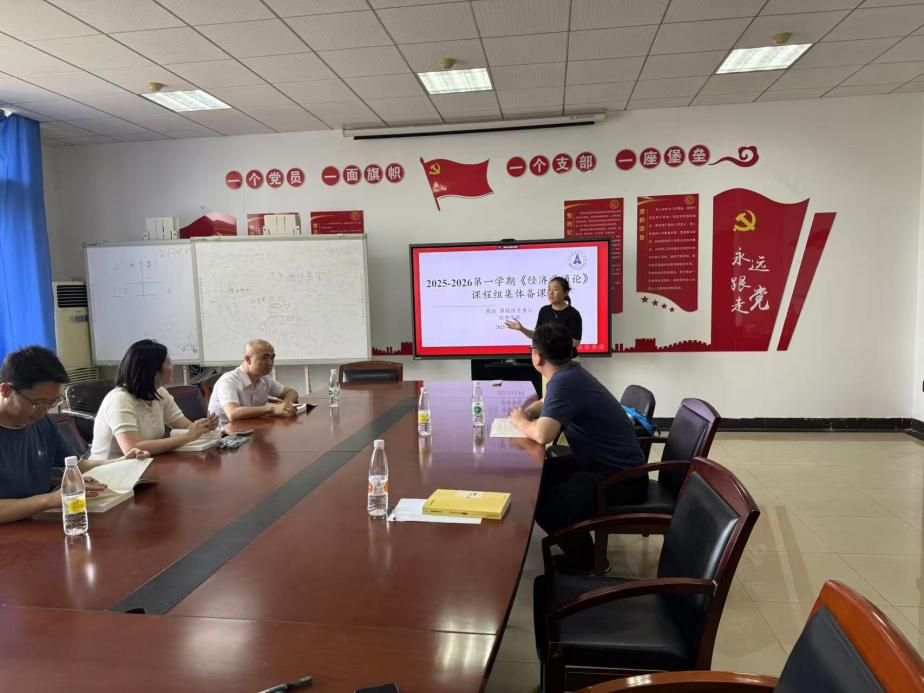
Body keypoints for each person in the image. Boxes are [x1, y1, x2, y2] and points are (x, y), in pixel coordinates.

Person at [509, 324, 646, 574]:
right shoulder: (569, 373)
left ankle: (589, 562)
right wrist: (528, 413)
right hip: (597, 462)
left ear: (537, 356)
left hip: (621, 478)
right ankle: (578, 550)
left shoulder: (565, 381)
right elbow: (547, 402)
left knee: (547, 505)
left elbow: (543, 435)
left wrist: (521, 422)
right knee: (536, 479)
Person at [0, 346, 148, 524]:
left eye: (52, 402)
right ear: (6, 390)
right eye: (38, 402)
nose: (44, 411)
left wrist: (122, 461)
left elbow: (76, 464)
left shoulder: (44, 423)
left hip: (37, 521)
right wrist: (49, 500)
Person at [90, 340, 218, 459]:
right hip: (111, 470)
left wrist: (202, 427)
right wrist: (188, 436)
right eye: (168, 362)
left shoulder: (159, 392)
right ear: (154, 372)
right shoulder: (120, 399)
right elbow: (131, 448)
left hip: (145, 463)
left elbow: (185, 426)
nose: (172, 366)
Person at [207, 339, 299, 426]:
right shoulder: (229, 380)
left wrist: (285, 405)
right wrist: (272, 408)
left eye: (272, 358)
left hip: (251, 428)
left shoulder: (264, 379)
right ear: (248, 359)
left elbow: (291, 392)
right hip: (225, 433)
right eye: (264, 358)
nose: (270, 363)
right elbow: (233, 413)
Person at [505, 276, 582, 357]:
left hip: (567, 359)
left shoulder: (573, 314)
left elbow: (576, 342)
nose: (550, 293)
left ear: (565, 292)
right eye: (549, 289)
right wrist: (522, 329)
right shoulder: (544, 310)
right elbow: (537, 336)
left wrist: (552, 338)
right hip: (548, 359)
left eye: (555, 289)